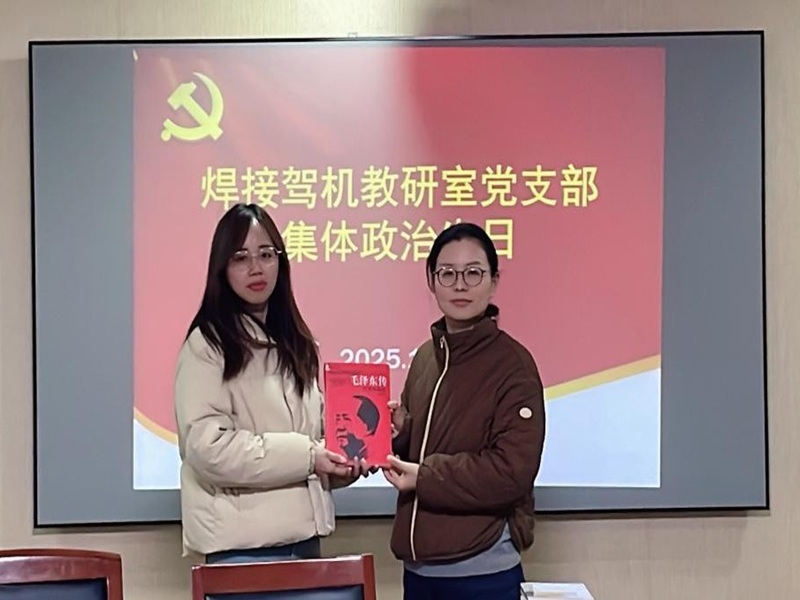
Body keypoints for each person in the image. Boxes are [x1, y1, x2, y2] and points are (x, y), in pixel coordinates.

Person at [174, 203, 367, 567]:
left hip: (305, 543)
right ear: (222, 268)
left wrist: (348, 455)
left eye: (266, 254)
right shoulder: (208, 345)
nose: (256, 268)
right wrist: (308, 457)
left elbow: (316, 443)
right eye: (241, 257)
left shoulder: (297, 343)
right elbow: (207, 448)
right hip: (241, 551)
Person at [383, 222, 546, 600]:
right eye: (447, 273)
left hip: (483, 570)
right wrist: (402, 433)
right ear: (431, 280)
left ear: (494, 282)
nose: (460, 285)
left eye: (473, 273)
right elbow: (425, 450)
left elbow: (511, 471)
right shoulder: (426, 358)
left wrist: (426, 477)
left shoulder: (513, 365)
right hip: (419, 570)